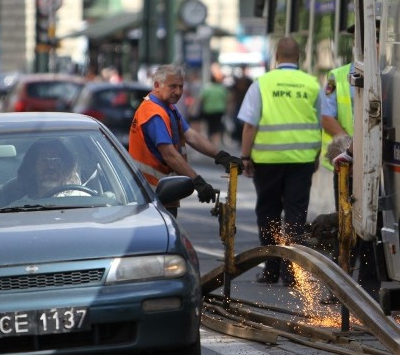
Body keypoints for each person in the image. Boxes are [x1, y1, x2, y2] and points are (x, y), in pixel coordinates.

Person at [238, 37, 321, 286]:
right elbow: (318, 125)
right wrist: (315, 155)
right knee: (295, 215)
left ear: (276, 57)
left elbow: (250, 124)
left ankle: (271, 269)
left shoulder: (262, 84)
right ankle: (292, 273)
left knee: (269, 213)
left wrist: (245, 156)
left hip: (268, 160)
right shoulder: (312, 84)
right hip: (302, 160)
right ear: (299, 57)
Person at [320, 21, 381, 302]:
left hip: (368, 161)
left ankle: (366, 287)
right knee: (348, 223)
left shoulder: (387, 73)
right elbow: (327, 117)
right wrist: (348, 146)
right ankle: (343, 286)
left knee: (371, 224)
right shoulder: (339, 76)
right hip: (349, 162)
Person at [128, 64, 243, 207]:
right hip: (151, 195)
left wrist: (221, 156)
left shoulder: (168, 107)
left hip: (161, 194)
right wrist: (197, 181)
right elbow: (169, 155)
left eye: (181, 87)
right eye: (173, 86)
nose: (178, 92)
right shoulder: (153, 113)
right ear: (157, 85)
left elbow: (191, 136)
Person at [5, 138, 86, 201]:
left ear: (66, 166)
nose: (51, 166)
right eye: (44, 160)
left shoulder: (82, 200)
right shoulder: (21, 208)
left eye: (56, 160)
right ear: (31, 167)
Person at [199, 63, 229, 149]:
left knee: (210, 126)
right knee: (217, 126)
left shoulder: (207, 88)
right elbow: (227, 99)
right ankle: (215, 143)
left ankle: (210, 141)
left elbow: (201, 99)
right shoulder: (221, 89)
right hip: (219, 110)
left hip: (208, 110)